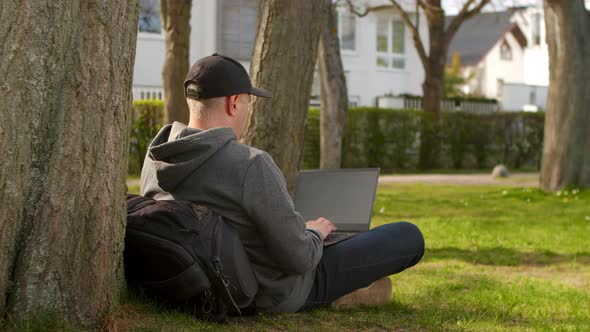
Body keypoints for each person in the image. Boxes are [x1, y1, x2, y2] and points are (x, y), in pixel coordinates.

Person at [140, 53, 424, 313]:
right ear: (234, 103)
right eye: (248, 104)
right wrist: (313, 233)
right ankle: (347, 291)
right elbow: (299, 259)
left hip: (197, 283)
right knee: (407, 236)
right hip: (270, 293)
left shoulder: (156, 157)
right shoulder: (250, 163)